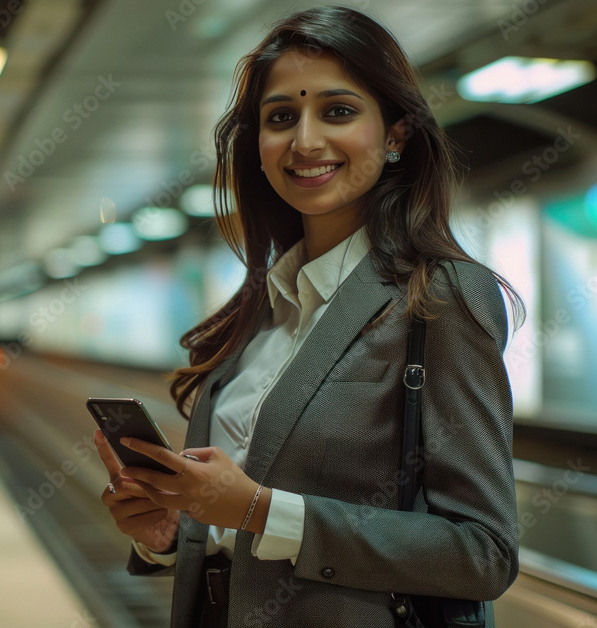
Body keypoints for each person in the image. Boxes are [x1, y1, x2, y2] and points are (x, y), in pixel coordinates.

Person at [94, 7, 525, 627]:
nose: (305, 141)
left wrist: (260, 511)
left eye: (339, 111)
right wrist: (166, 532)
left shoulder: (439, 295)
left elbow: (482, 553)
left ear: (397, 134)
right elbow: (224, 526)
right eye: (280, 118)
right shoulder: (260, 308)